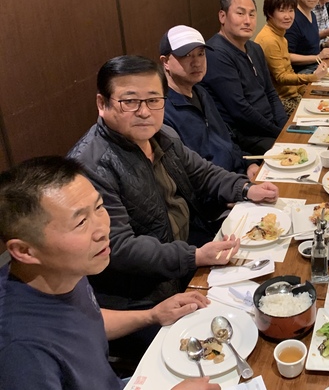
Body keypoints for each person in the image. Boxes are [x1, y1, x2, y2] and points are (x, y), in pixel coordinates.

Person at [68, 55, 279, 313]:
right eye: (130, 101)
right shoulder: (89, 167)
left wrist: (246, 188)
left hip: (187, 249)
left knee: (272, 275)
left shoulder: (162, 135)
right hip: (142, 293)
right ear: (102, 103)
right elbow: (120, 247)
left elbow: (202, 172)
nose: (144, 112)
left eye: (153, 100)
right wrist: (194, 256)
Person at [0, 156, 219, 390]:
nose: (103, 229)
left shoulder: (60, 270)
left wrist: (152, 315)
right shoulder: (20, 349)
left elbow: (86, 320)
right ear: (24, 251)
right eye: (81, 222)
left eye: (99, 207)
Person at [159, 25, 260, 181]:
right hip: (218, 188)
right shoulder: (163, 111)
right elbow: (189, 175)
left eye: (201, 54)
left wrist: (249, 163)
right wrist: (238, 187)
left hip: (236, 177)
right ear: (165, 61)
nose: (197, 63)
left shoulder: (201, 92)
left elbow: (226, 140)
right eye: (187, 55)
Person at [202, 0, 288, 154]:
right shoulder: (216, 53)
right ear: (222, 16)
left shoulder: (255, 48)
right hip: (246, 136)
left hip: (268, 127)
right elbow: (240, 111)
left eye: (252, 14)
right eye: (240, 14)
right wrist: (279, 133)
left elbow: (270, 92)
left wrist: (285, 126)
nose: (247, 21)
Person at [255, 0, 328, 115]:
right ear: (270, 13)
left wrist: (306, 89)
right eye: (282, 11)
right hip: (282, 101)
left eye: (291, 10)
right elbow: (281, 77)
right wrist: (313, 77)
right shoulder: (269, 39)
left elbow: (289, 70)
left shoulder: (280, 35)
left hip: (292, 94)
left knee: (327, 100)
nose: (288, 16)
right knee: (323, 115)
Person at [285, 0, 329, 74]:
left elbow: (309, 46)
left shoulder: (312, 15)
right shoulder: (292, 19)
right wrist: (318, 57)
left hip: (316, 66)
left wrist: (325, 45)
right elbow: (288, 56)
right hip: (302, 73)